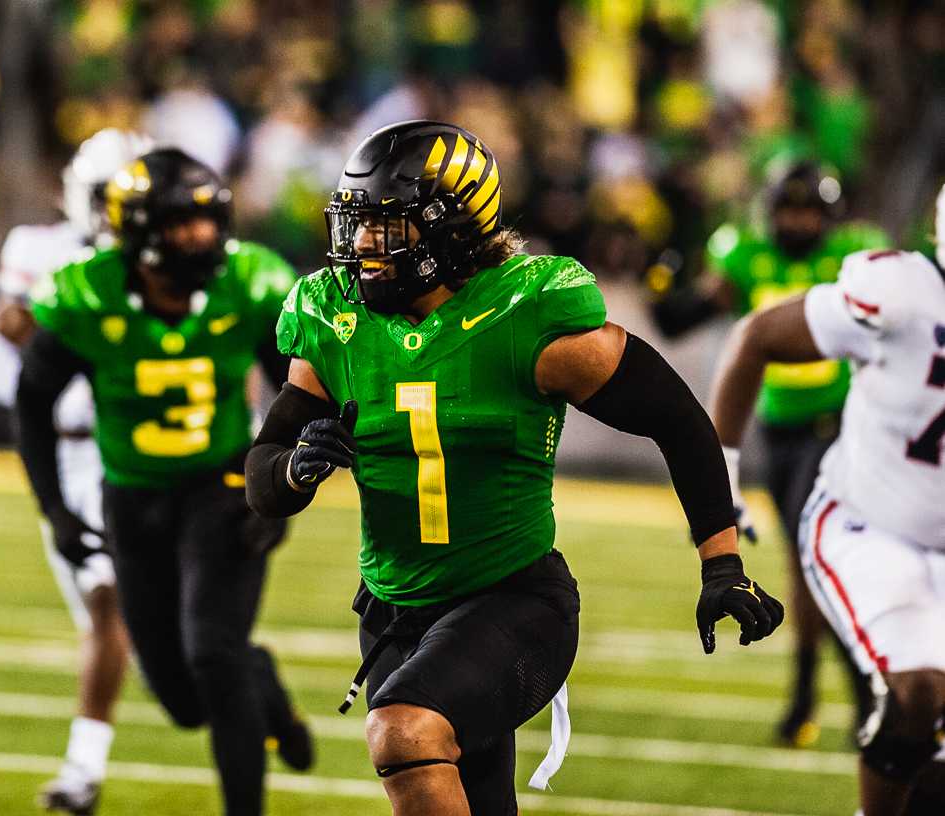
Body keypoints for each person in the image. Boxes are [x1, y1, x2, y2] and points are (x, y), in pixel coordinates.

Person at [245, 120, 784, 815]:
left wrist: (721, 563)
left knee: (403, 732)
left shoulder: (524, 316)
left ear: (454, 228)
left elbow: (677, 419)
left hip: (513, 603)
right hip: (392, 609)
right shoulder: (334, 320)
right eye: (358, 227)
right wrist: (296, 468)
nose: (365, 249)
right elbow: (263, 474)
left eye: (388, 228)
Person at [14, 147, 312, 816]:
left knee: (213, 652)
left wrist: (279, 489)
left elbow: (301, 395)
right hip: (134, 497)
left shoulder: (252, 283)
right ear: (142, 232)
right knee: (180, 697)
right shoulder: (83, 292)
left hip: (225, 483)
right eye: (184, 224)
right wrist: (54, 507)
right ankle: (261, 681)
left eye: (210, 221)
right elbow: (31, 401)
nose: (203, 238)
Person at [651, 159, 888, 746]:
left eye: (810, 211)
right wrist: (661, 276)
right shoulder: (749, 256)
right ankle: (840, 694)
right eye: (789, 209)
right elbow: (680, 318)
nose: (799, 222)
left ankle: (842, 696)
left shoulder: (854, 257)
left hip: (842, 430)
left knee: (813, 558)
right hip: (779, 437)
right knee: (809, 563)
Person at [708, 229, 945, 816]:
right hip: (868, 523)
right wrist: (723, 478)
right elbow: (757, 334)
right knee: (919, 692)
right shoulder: (902, 292)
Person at [0, 127, 151, 815]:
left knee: (110, 607)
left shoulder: (168, 261)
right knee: (108, 619)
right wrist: (48, 368)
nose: (115, 210)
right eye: (106, 194)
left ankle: (82, 770)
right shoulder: (38, 255)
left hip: (130, 454)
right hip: (60, 452)